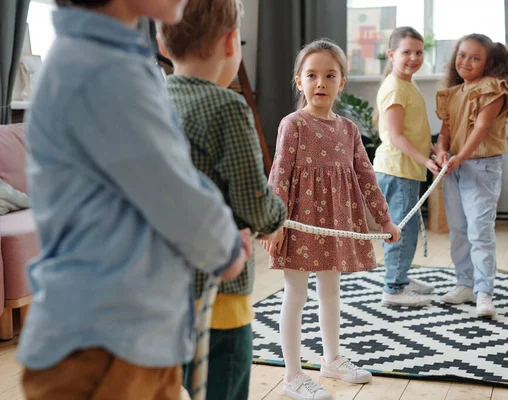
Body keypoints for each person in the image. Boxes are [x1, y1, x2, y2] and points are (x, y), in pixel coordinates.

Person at [17, 1, 252, 399]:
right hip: (105, 346)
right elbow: (171, 189)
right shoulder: (102, 68)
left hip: (130, 337)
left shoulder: (109, 59)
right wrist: (225, 247)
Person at [157, 0, 287, 398]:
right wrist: (276, 217)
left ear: (163, 43)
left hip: (156, 287)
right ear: (232, 42)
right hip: (215, 294)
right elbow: (253, 203)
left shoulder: (151, 100)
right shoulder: (227, 107)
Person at [262, 38, 401, 400]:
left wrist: (384, 220)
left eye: (329, 75)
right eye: (312, 75)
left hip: (335, 221)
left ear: (342, 83)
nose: (320, 83)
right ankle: (293, 376)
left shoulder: (348, 130)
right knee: (296, 293)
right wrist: (272, 222)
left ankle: (331, 359)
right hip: (296, 222)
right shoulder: (293, 124)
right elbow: (279, 174)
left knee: (330, 291)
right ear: (299, 82)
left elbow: (366, 176)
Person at [435, 33, 508, 317]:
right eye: (461, 55)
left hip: (481, 167)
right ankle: (464, 283)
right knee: (458, 230)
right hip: (454, 168)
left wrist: (458, 158)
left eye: (474, 57)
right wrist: (442, 153)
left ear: (488, 63)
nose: (465, 62)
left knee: (480, 231)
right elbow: (444, 133)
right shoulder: (453, 94)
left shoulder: (494, 89)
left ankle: (484, 292)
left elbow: (480, 130)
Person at [373, 26, 441, 307]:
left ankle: (399, 278)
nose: (413, 57)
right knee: (400, 229)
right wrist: (426, 160)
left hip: (406, 169)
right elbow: (397, 136)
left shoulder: (407, 84)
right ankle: (393, 288)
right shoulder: (395, 88)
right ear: (391, 55)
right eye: (406, 52)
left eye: (418, 52)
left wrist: (431, 149)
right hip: (397, 169)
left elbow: (413, 130)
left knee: (406, 227)